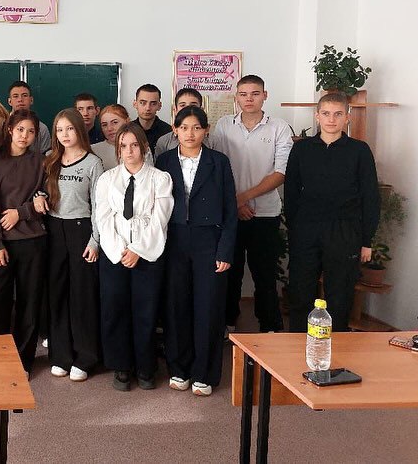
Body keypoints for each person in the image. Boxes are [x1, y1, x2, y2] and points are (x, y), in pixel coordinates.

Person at [156, 106, 237, 396]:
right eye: (184, 127)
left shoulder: (219, 161)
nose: (190, 133)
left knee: (209, 307)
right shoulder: (164, 161)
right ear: (174, 130)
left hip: (209, 242)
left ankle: (204, 373)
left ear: (206, 130)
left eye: (196, 127)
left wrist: (225, 251)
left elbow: (230, 210)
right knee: (176, 306)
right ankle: (179, 369)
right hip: (173, 240)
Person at [284, 92, 379, 333]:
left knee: (340, 295)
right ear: (317, 116)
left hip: (344, 231)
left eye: (338, 114)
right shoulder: (302, 149)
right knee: (300, 292)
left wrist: (366, 240)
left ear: (347, 117)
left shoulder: (359, 150)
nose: (331, 119)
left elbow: (370, 196)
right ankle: (296, 346)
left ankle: (336, 349)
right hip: (306, 229)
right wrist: (295, 230)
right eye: (326, 114)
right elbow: (291, 192)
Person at [209, 75, 292, 334]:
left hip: (265, 213)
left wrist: (242, 198)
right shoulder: (224, 125)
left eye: (255, 93)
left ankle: (269, 327)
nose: (249, 99)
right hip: (230, 214)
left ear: (265, 96)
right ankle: (228, 323)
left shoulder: (279, 127)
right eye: (243, 94)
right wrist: (234, 203)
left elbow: (281, 172)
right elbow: (216, 167)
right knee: (229, 272)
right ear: (236, 97)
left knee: (264, 275)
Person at [95, 122, 173, 391]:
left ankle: (146, 367)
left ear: (144, 147)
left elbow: (160, 220)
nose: (129, 151)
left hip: (147, 253)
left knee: (145, 311)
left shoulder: (160, 179)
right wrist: (121, 251)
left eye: (134, 145)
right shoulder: (107, 180)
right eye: (123, 146)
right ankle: (121, 366)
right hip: (115, 254)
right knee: (115, 310)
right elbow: (104, 219)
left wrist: (138, 250)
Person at [0, 109, 47, 375]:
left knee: (29, 303)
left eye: (31, 132)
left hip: (33, 241)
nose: (24, 136)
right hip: (2, 244)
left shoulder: (40, 162)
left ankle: (23, 361)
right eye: (20, 130)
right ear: (9, 130)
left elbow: (47, 199)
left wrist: (22, 212)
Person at [40, 109, 103, 382]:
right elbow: (38, 191)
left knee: (82, 295)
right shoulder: (49, 159)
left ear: (80, 130)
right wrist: (38, 196)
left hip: (81, 230)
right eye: (60, 130)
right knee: (57, 293)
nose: (64, 135)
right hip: (54, 229)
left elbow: (99, 206)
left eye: (69, 129)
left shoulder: (93, 162)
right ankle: (61, 355)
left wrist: (95, 240)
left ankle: (85, 357)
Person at [153, 88, 208, 158]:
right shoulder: (164, 141)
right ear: (175, 110)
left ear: (201, 109)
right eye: (182, 105)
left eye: (193, 105)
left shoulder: (213, 141)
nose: (187, 109)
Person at [8, 81, 51, 154]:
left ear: (31, 100)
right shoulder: (2, 126)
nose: (20, 100)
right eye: (15, 96)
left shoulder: (42, 129)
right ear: (9, 101)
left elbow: (46, 156)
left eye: (24, 95)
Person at [132, 84, 173, 157]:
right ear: (135, 104)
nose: (148, 108)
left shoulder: (168, 132)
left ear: (159, 106)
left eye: (153, 103)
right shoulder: (127, 131)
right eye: (143, 103)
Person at [91, 104, 130, 169]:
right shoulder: (93, 151)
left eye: (115, 122)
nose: (109, 128)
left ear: (127, 121)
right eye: (104, 125)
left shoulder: (140, 147)